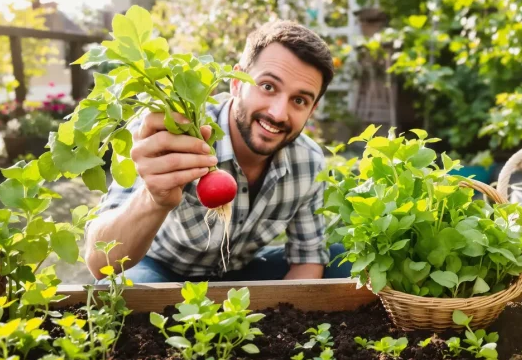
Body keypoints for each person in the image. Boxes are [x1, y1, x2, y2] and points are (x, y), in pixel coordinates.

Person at [84, 20, 350, 283]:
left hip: (241, 273)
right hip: (160, 268)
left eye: (299, 100)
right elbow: (98, 262)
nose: (278, 113)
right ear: (235, 83)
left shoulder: (308, 161)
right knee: (118, 287)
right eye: (268, 86)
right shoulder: (175, 134)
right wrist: (154, 198)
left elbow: (308, 259)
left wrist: (284, 320)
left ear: (312, 110)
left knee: (343, 259)